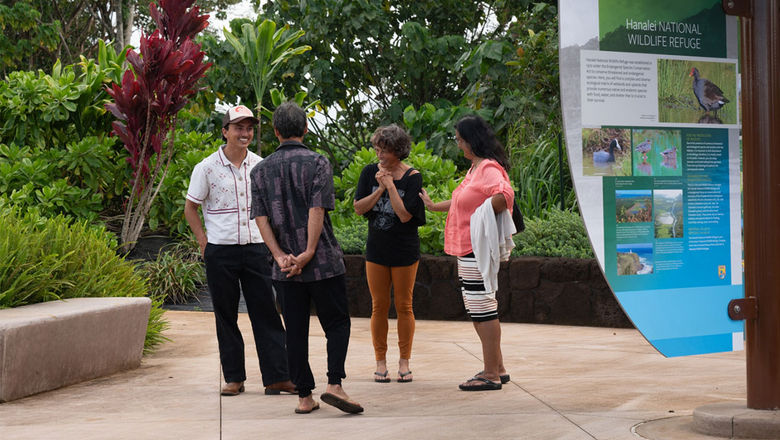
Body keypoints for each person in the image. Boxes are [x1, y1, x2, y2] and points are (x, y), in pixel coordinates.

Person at [250, 102, 363, 414]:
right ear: (305, 129)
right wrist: (309, 252)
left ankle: (304, 397)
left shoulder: (259, 171)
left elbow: (260, 218)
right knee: (337, 323)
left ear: (275, 132)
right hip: (323, 261)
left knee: (295, 330)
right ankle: (334, 384)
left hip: (284, 268)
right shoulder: (318, 162)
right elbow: (317, 209)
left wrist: (280, 256)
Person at [184, 105, 296, 397]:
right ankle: (234, 377)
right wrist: (203, 242)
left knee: (267, 313)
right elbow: (191, 208)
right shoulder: (206, 168)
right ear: (225, 131)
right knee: (226, 314)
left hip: (256, 248)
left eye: (248, 128)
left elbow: (271, 208)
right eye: (238, 128)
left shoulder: (261, 165)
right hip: (220, 251)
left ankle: (277, 378)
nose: (244, 133)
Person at [419, 115, 514, 391]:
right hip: (469, 250)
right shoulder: (475, 168)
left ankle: (491, 373)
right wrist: (435, 206)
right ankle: (498, 368)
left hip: (476, 249)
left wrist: (483, 218)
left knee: (482, 309)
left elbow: (505, 195)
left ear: (471, 140)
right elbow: (465, 198)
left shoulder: (488, 169)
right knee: (479, 306)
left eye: (460, 139)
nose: (458, 144)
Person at [353, 124, 425, 383]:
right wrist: (380, 189)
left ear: (398, 150)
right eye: (377, 149)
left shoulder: (413, 177)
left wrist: (391, 187)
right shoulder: (369, 172)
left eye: (384, 150)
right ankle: (380, 361)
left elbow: (406, 215)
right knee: (378, 306)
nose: (379, 155)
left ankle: (404, 362)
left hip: (405, 251)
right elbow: (359, 208)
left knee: (405, 306)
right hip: (377, 250)